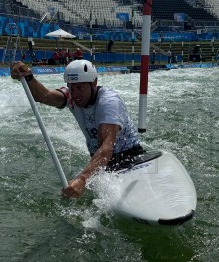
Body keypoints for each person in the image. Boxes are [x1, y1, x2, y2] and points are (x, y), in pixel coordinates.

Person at [10, 59, 143, 198]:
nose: (76, 94)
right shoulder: (70, 96)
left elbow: (106, 148)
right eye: (72, 88)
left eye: (80, 88)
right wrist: (28, 77)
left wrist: (82, 179)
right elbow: (44, 96)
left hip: (130, 161)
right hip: (100, 165)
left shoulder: (109, 102)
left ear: (94, 84)